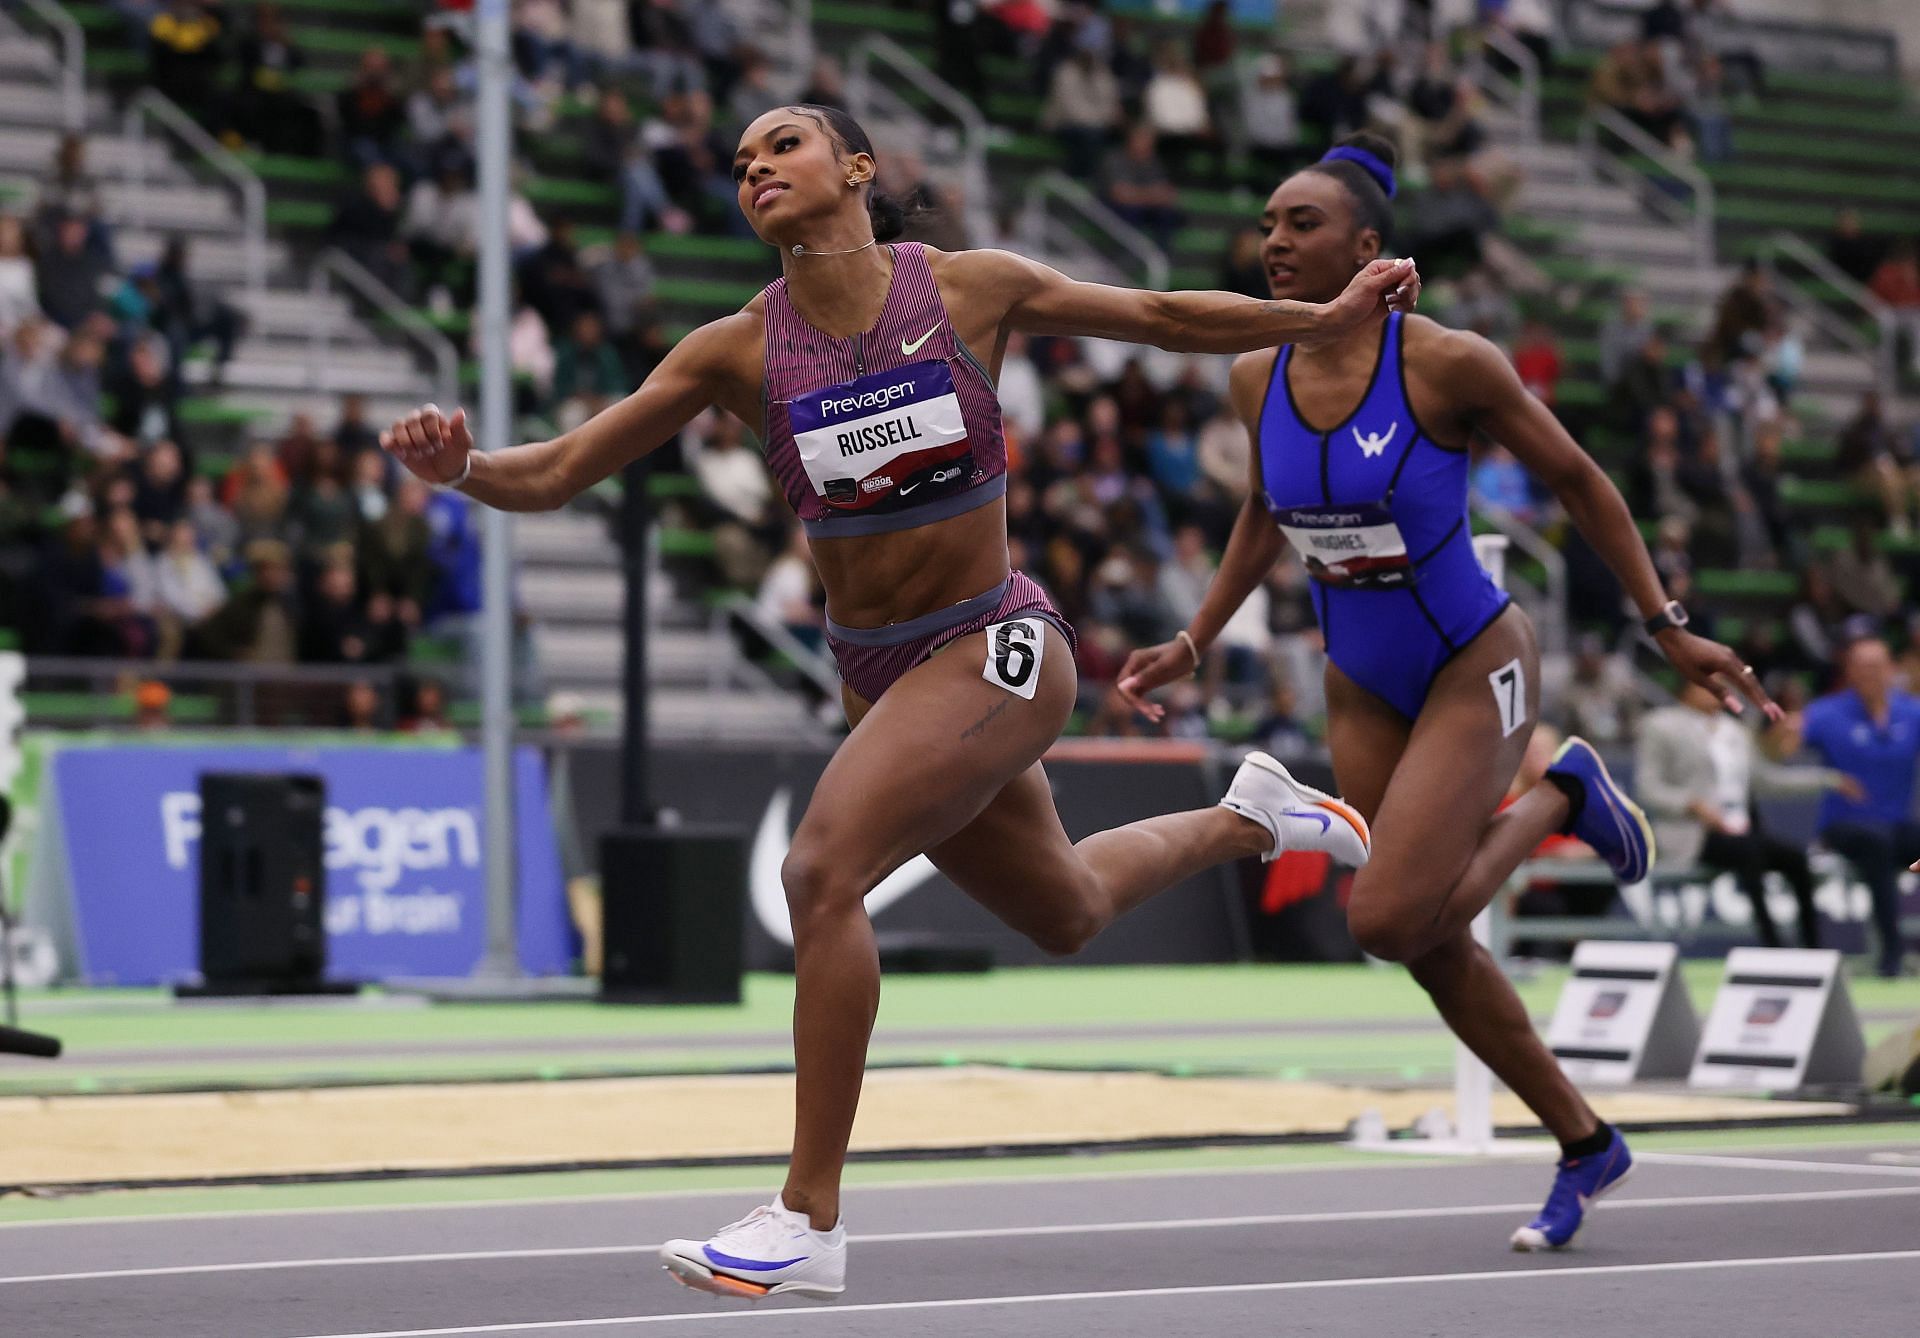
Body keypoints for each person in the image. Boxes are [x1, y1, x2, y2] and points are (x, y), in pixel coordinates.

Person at [380, 103, 1420, 1301]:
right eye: (740, 163)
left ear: (856, 170)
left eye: (783, 145)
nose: (756, 167)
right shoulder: (737, 350)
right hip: (884, 677)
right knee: (1067, 908)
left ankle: (807, 1217)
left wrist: (1324, 317)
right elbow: (558, 469)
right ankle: (1256, 818)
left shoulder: (970, 290)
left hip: (1001, 645)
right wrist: (459, 468)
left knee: (821, 873)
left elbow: (1162, 316)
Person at [1115, 132, 1772, 1253]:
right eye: (1268, 223)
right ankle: (1583, 1142)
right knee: (1426, 939)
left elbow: (1579, 478)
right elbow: (1264, 512)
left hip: (1475, 656)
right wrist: (1195, 635)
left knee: (1383, 918)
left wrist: (1665, 625)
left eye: (1303, 225)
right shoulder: (1249, 373)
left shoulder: (1444, 363)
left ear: (1368, 248)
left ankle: (1561, 794)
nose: (1275, 241)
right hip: (1359, 674)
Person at [1637, 680, 1860, 949]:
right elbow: (1649, 788)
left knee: (1794, 859)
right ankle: (1772, 946)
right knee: (1749, 852)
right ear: (1687, 687)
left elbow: (1766, 780)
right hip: (1695, 833)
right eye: (1708, 684)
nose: (1717, 690)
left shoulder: (1735, 731)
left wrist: (1828, 780)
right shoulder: (1661, 725)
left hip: (1740, 829)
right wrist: (1693, 805)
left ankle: (1813, 948)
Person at [1801, 637, 1920, 978]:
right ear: (1849, 671)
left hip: (1897, 825)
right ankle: (1892, 954)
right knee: (1876, 843)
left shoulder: (1912, 712)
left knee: (1891, 839)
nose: (1871, 673)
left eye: (1878, 665)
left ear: (1892, 670)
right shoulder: (1825, 713)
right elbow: (1778, 752)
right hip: (1843, 827)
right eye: (1863, 666)